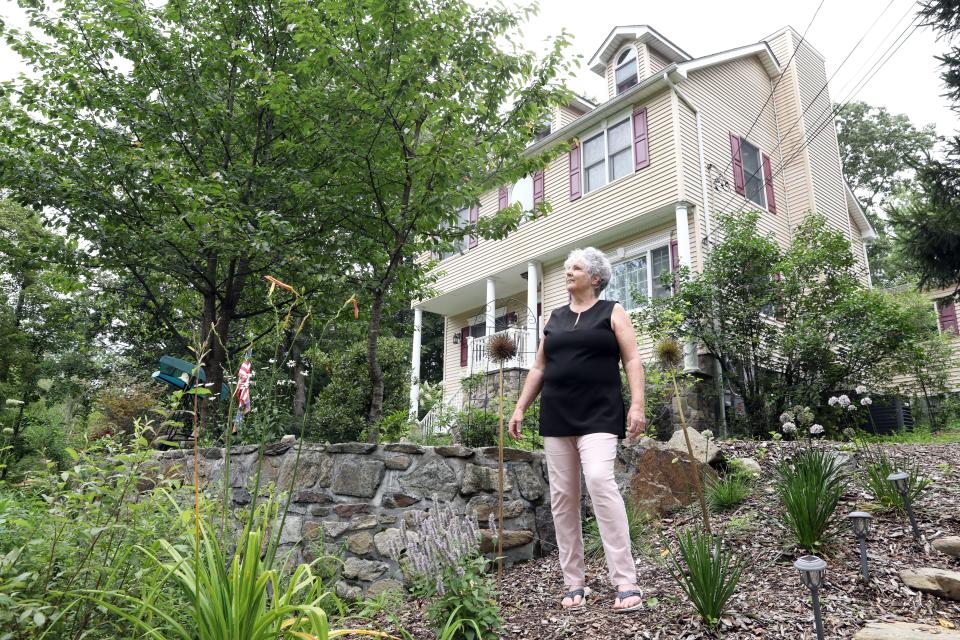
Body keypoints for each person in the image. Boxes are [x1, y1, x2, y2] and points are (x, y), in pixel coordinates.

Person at [508, 247, 646, 613]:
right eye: (568, 267)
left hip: (599, 414)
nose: (568, 272)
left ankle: (625, 581)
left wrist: (637, 404)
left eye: (577, 268)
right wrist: (520, 407)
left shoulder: (612, 311)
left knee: (600, 481)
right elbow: (538, 369)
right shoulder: (553, 318)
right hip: (557, 416)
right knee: (563, 498)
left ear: (595, 278)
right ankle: (574, 583)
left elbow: (632, 359)